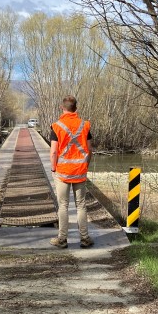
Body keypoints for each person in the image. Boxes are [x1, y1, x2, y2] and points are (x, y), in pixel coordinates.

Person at [49, 95, 94, 249]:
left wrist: (53, 168)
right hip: (80, 171)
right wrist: (85, 166)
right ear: (76, 108)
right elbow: (89, 150)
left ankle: (62, 239)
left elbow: (54, 152)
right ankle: (85, 238)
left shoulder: (56, 126)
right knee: (81, 205)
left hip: (62, 172)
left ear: (62, 108)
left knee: (63, 205)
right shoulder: (85, 125)